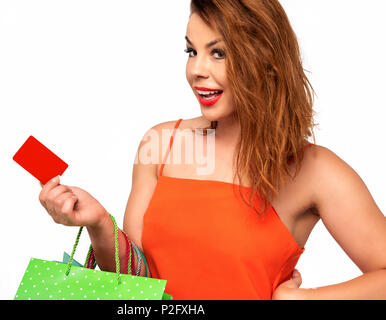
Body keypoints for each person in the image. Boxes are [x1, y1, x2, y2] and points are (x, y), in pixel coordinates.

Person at [38, 0, 386, 299]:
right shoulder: (161, 144)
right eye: (192, 51)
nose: (196, 70)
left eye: (217, 53)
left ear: (264, 58)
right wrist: (99, 223)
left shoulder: (314, 170)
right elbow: (136, 285)